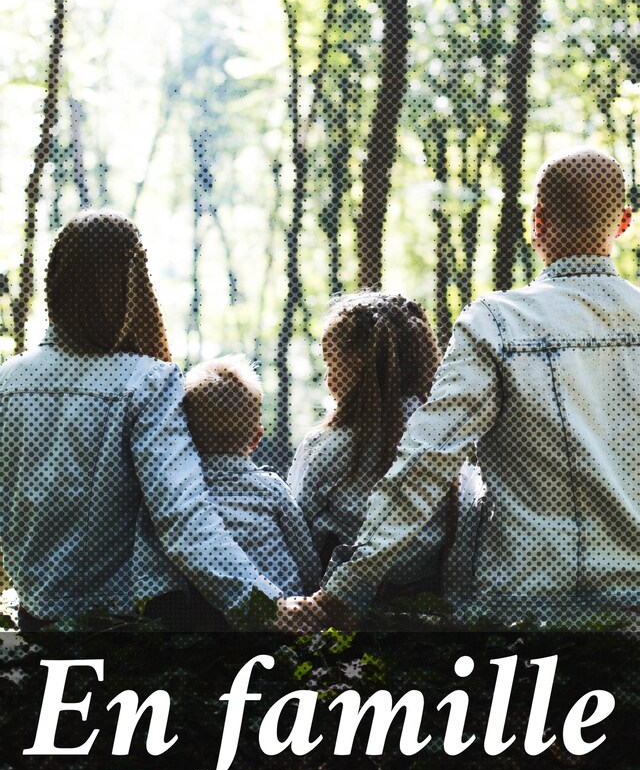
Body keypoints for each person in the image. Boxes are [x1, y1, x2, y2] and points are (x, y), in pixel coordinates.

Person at [275, 148, 640, 630]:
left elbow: (426, 462)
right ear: (622, 223)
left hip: (525, 615)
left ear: (538, 221)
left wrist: (344, 591)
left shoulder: (496, 324)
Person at [0, 210, 281, 631]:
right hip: (123, 625)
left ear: (54, 281)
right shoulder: (147, 381)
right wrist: (266, 606)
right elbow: (182, 514)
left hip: (37, 618)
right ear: (133, 284)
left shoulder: (8, 380)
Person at [287, 292, 444, 579]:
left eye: (332, 362)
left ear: (360, 364)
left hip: (340, 605)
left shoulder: (325, 447)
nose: (327, 376)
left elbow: (296, 531)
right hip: (427, 599)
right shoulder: (444, 438)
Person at [182, 354, 320, 611]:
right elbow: (304, 554)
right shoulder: (271, 488)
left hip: (215, 614)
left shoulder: (185, 493)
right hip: (283, 608)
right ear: (257, 438)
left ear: (186, 436)